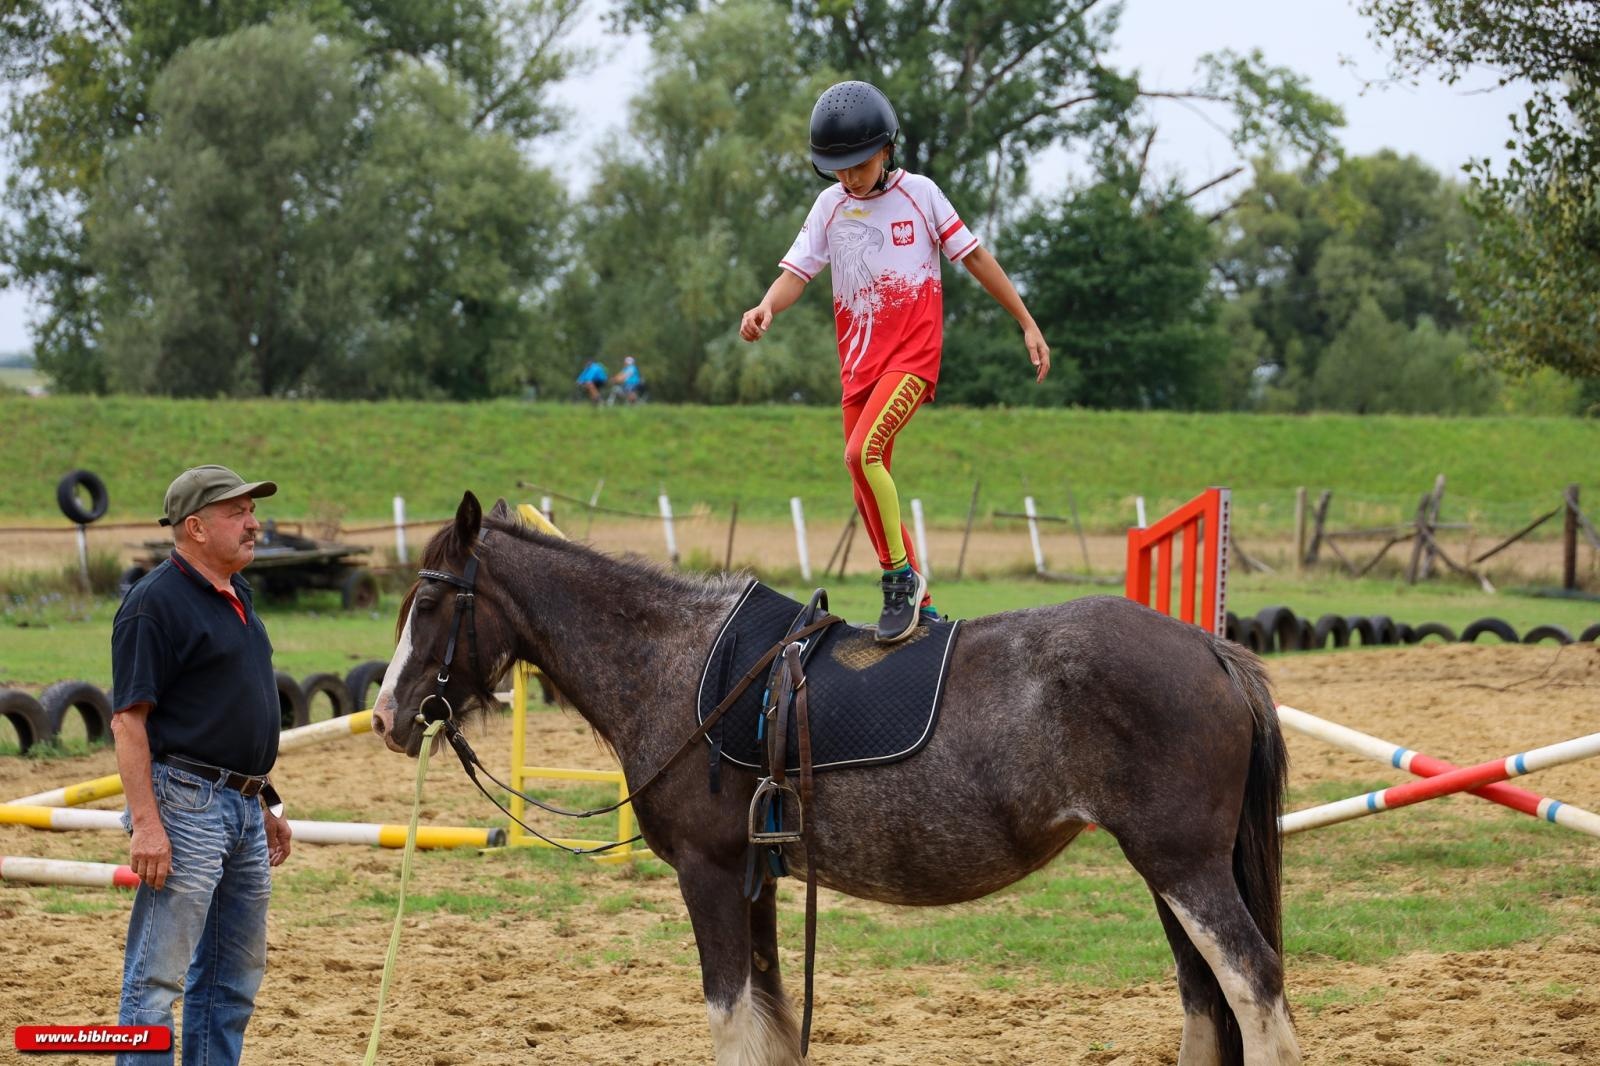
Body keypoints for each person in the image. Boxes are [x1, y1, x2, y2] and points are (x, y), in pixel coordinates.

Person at [740, 80, 1050, 642]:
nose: (849, 178)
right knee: (862, 481)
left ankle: (899, 581)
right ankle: (923, 608)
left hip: (910, 359)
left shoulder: (920, 195)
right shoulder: (830, 207)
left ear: (886, 149)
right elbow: (796, 274)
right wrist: (766, 306)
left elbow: (976, 259)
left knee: (863, 453)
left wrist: (1026, 322)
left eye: (859, 165)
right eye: (837, 168)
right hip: (858, 368)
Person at [110, 464, 292, 1065]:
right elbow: (128, 722)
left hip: (242, 805)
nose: (253, 523)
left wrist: (265, 801)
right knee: (155, 981)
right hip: (185, 804)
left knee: (233, 980)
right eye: (237, 513)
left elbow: (229, 713)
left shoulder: (239, 595)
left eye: (252, 511)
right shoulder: (153, 604)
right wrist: (146, 823)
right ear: (195, 527)